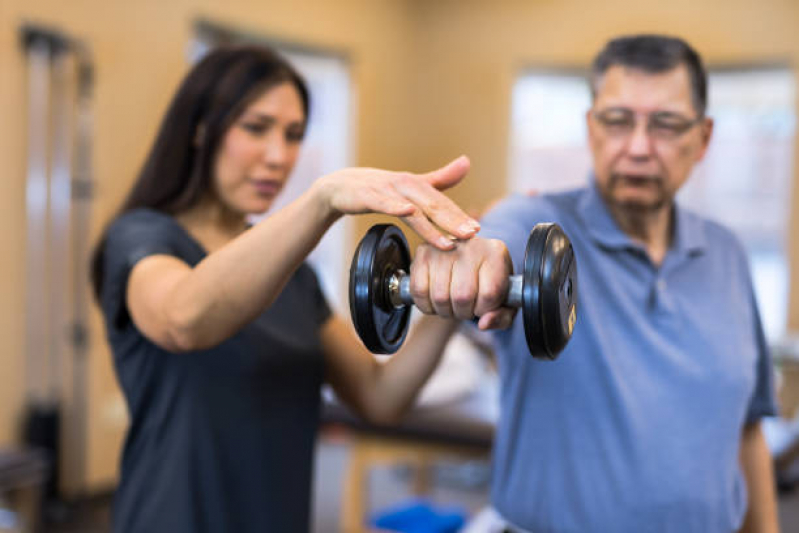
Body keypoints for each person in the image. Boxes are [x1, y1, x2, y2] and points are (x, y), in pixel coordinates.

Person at [89, 45, 482, 533]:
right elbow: (182, 319)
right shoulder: (143, 236)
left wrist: (452, 297)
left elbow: (380, 397)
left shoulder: (292, 273)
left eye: (293, 135)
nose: (279, 156)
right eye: (255, 128)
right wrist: (323, 200)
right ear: (200, 129)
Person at [409, 35, 780, 532]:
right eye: (617, 120)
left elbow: (747, 429)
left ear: (703, 137)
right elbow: (497, 239)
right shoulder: (536, 219)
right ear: (591, 128)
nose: (638, 148)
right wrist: (471, 252)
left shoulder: (728, 254)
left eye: (666, 124)